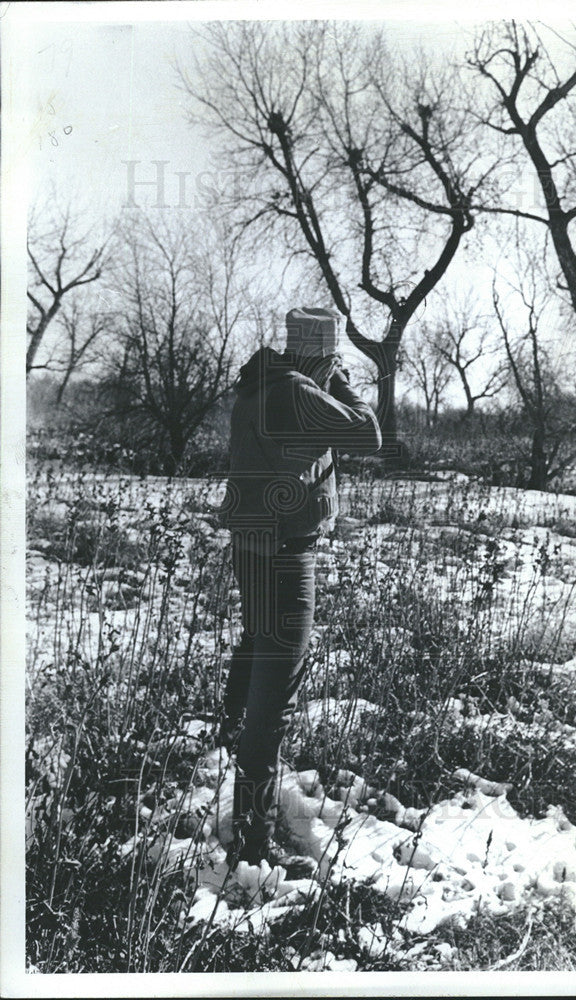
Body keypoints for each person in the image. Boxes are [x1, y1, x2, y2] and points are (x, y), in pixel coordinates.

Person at [218, 306, 382, 873]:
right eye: (333, 357)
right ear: (322, 354)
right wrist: (339, 380)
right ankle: (252, 847)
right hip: (288, 558)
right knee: (275, 704)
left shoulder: (258, 384)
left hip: (254, 551)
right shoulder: (299, 390)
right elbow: (369, 432)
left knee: (260, 655)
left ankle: (227, 741)